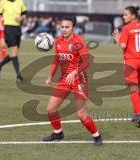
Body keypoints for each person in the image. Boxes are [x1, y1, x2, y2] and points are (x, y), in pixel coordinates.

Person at [42, 16, 102, 146]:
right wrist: (49, 76)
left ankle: (97, 136)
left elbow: (87, 61)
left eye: (67, 27)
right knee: (51, 109)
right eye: (62, 27)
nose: (64, 29)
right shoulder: (58, 42)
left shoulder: (78, 42)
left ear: (73, 28)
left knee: (80, 114)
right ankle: (58, 133)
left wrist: (75, 71)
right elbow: (56, 60)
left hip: (79, 80)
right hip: (64, 79)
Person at [112, 6, 140, 128]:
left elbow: (123, 45)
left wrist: (117, 38)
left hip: (131, 62)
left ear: (132, 16)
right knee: (137, 88)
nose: (123, 16)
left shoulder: (126, 28)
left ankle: (138, 114)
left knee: (133, 89)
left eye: (126, 14)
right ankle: (137, 113)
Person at [0, 0, 27, 81]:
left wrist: (21, 18)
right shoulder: (3, 2)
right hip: (8, 29)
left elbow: (24, 15)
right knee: (14, 52)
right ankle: (18, 74)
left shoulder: (20, 2)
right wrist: (0, 26)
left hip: (18, 29)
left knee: (14, 53)